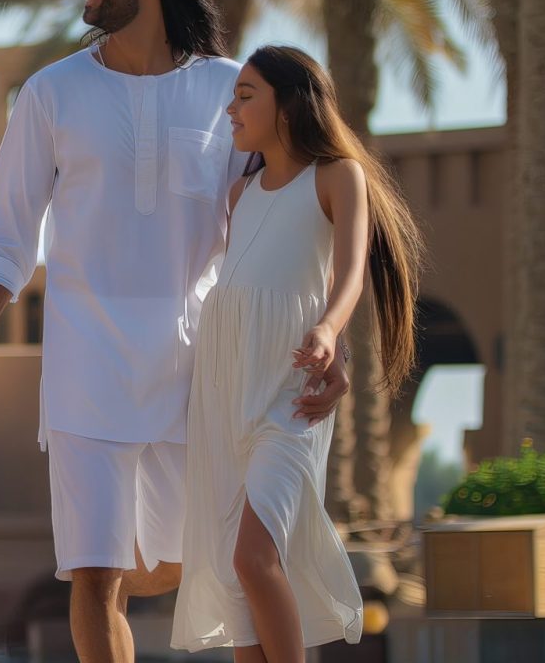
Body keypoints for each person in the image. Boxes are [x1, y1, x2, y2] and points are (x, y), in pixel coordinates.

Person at [0, 0, 351, 663]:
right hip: (84, 367)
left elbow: (286, 223)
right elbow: (6, 236)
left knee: (213, 565)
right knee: (94, 574)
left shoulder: (231, 92)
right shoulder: (50, 94)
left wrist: (330, 342)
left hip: (201, 366)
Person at [171, 46, 421, 662]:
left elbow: (350, 275)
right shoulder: (240, 193)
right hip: (224, 395)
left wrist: (331, 332)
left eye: (247, 94)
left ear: (290, 102)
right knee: (235, 588)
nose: (231, 107)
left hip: (290, 395)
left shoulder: (337, 176)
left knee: (255, 558)